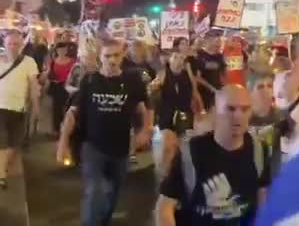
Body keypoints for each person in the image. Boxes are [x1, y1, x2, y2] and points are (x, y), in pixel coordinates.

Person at [56, 39, 152, 226]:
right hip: (93, 146)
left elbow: (143, 107)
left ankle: (103, 220)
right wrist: (63, 143)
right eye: (107, 56)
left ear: (122, 55)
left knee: (114, 193)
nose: (112, 60)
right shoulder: (90, 81)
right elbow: (72, 113)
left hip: (121, 148)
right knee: (95, 190)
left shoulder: (132, 81)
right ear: (100, 57)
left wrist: (146, 130)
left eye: (116, 55)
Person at [155, 85, 271, 225]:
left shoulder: (258, 150)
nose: (238, 116)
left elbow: (262, 197)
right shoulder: (192, 153)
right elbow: (164, 207)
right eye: (230, 108)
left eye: (245, 109)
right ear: (216, 112)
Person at [0, 30, 40, 189]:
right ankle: (1, 175)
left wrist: (36, 106)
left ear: (22, 45)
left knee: (14, 143)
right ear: (4, 44)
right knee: (2, 142)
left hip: (19, 109)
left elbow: (33, 86)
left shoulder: (29, 62)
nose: (12, 47)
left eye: (16, 44)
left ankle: (2, 169)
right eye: (9, 43)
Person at [152, 51, 200, 177]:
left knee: (181, 147)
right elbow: (150, 90)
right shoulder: (163, 74)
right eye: (175, 57)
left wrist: (199, 111)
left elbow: (195, 94)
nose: (178, 60)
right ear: (170, 59)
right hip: (167, 113)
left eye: (181, 57)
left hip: (184, 113)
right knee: (168, 145)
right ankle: (163, 175)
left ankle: (176, 175)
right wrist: (153, 88)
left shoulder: (187, 74)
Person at [46, 42, 76, 135]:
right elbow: (49, 74)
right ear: (57, 51)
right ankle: (57, 130)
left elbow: (76, 75)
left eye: (64, 49)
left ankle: (68, 129)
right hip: (57, 87)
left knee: (68, 109)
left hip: (68, 88)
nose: (62, 51)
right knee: (56, 110)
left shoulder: (73, 62)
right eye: (60, 50)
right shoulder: (53, 62)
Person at [192, 32, 227, 111]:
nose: (219, 45)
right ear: (208, 40)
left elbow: (223, 73)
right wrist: (211, 88)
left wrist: (224, 88)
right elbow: (197, 77)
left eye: (220, 42)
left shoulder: (220, 56)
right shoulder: (199, 55)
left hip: (218, 93)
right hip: (203, 93)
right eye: (217, 42)